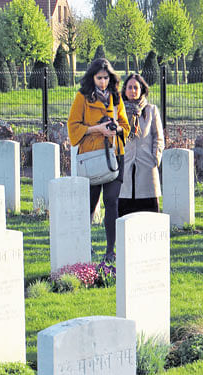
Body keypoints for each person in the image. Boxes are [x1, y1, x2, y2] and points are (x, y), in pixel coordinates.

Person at [67, 58, 130, 262]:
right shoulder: (82, 97)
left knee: (111, 202)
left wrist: (115, 127)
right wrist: (96, 129)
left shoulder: (116, 97)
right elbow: (73, 127)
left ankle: (111, 250)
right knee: (90, 205)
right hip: (92, 156)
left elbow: (125, 126)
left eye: (106, 78)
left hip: (114, 156)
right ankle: (83, 247)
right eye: (99, 78)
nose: (103, 82)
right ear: (92, 77)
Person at [118, 73, 164, 217]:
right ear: (125, 90)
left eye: (136, 88)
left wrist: (155, 157)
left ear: (142, 90)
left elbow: (158, 137)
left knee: (148, 211)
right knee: (125, 209)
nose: (133, 91)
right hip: (125, 163)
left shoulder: (151, 110)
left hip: (146, 164)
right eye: (130, 87)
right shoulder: (118, 110)